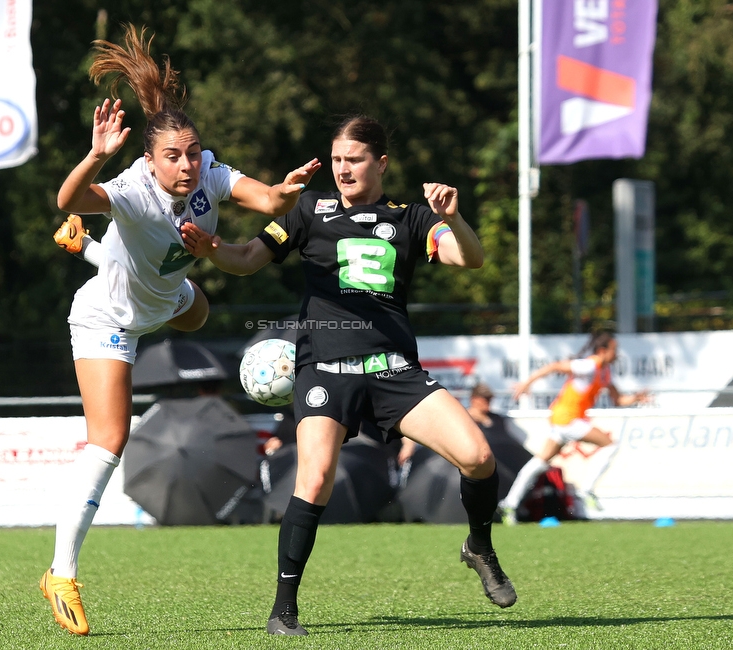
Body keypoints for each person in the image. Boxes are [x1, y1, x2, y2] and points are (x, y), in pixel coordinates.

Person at [183, 115, 517, 636]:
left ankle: (478, 545)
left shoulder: (411, 218)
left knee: (478, 458)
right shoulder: (306, 210)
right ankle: (284, 608)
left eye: (354, 159)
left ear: (380, 163)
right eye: (337, 159)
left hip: (393, 371)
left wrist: (455, 219)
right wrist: (212, 250)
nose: (343, 169)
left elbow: (468, 260)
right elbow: (247, 258)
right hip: (325, 370)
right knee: (313, 478)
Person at [39, 24, 320, 636]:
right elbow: (67, 196)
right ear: (149, 160)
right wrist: (94, 154)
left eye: (193, 152)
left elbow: (268, 203)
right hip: (107, 319)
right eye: (174, 155)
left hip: (165, 297)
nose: (188, 164)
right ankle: (61, 573)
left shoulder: (209, 174)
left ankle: (91, 251)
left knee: (198, 310)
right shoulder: (132, 191)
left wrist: (285, 192)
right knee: (109, 441)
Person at [499, 330, 650, 524]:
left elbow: (619, 399)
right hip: (567, 419)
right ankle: (586, 489)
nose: (617, 354)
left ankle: (509, 503)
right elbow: (554, 366)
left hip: (563, 420)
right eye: (614, 349)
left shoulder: (604, 372)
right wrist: (527, 383)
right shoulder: (589, 365)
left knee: (539, 463)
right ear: (603, 351)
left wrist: (637, 397)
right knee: (610, 444)